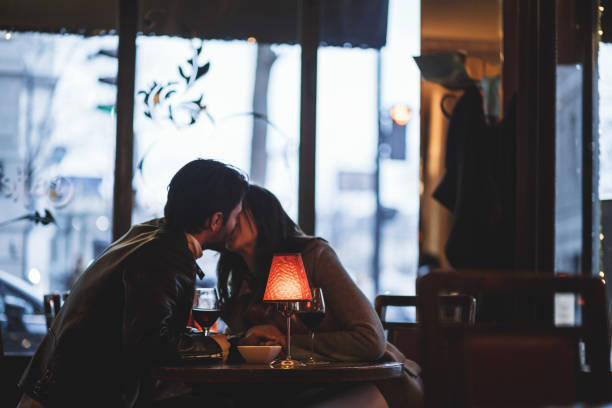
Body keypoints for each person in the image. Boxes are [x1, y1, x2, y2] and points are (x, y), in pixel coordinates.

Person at [17, 159, 248, 408]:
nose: (237, 225)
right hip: (74, 395)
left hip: (57, 387)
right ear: (215, 220)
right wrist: (215, 346)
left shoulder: (150, 233)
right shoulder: (165, 253)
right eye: (236, 216)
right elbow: (149, 343)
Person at [218, 185, 423, 407]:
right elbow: (241, 345)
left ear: (262, 215)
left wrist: (284, 343)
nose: (230, 220)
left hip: (378, 383)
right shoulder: (243, 278)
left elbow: (371, 340)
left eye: (238, 212)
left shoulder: (314, 256)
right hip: (307, 389)